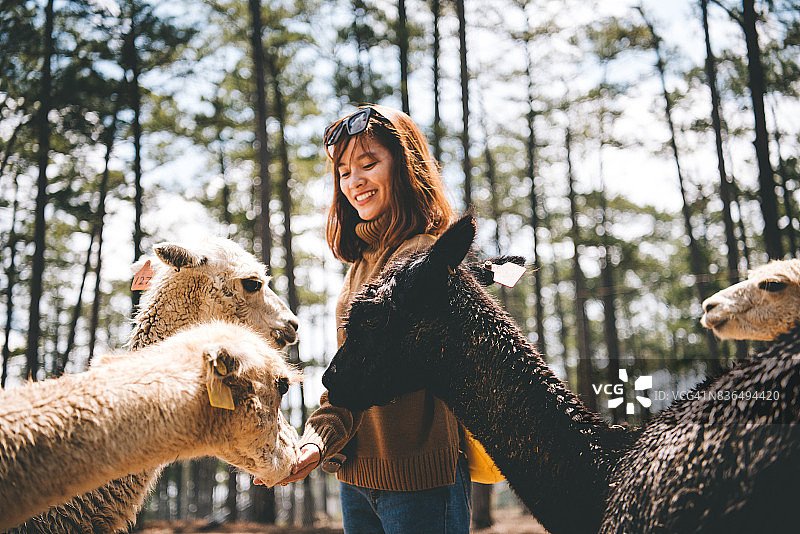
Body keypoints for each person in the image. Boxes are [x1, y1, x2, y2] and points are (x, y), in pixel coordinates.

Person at [278, 104, 471, 533]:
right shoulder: (362, 263)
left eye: (369, 164)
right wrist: (316, 442)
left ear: (405, 167)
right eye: (344, 172)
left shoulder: (423, 257)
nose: (354, 182)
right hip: (355, 478)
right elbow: (351, 373)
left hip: (418, 482)